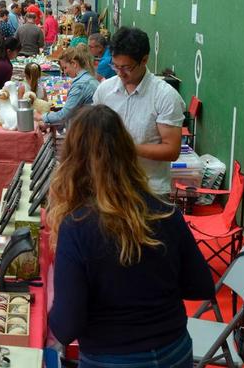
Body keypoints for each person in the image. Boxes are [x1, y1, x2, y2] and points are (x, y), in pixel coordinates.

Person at [47, 105, 214, 368]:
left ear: (72, 160)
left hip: (111, 357)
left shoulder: (77, 225)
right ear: (127, 150)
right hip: (175, 352)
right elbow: (200, 285)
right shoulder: (164, 212)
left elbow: (67, 327)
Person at [93, 27, 185, 196]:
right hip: (108, 185)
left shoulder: (165, 96)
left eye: (126, 67)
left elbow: (172, 150)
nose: (120, 73)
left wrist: (127, 148)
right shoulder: (105, 90)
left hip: (149, 189)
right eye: (115, 66)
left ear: (144, 60)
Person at [42, 45, 98, 127]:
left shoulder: (81, 84)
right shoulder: (89, 79)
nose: (65, 72)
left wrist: (41, 117)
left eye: (65, 67)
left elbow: (63, 115)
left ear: (74, 63)